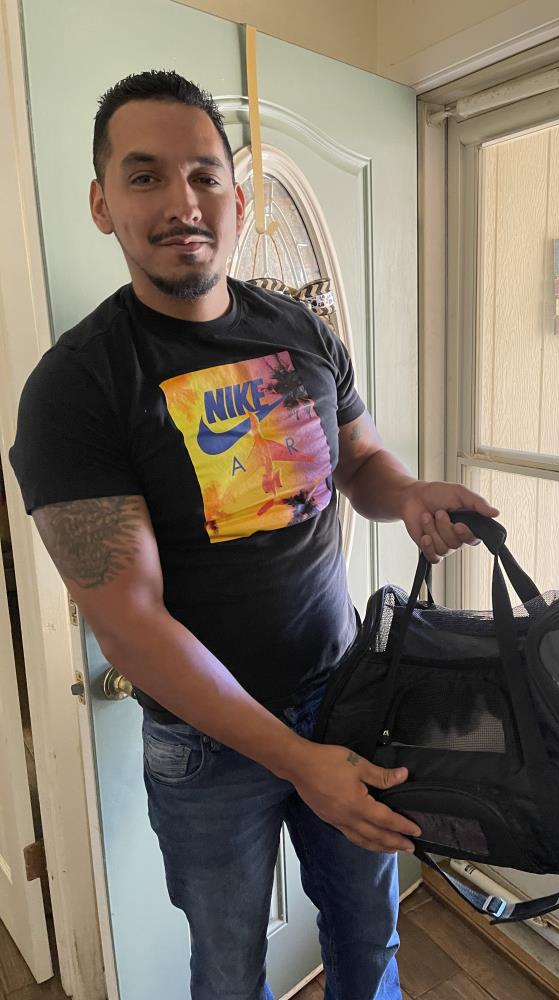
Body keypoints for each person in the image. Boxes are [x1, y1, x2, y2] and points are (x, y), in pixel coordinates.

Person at [9, 70, 498, 1000]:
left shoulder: (301, 330)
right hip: (207, 749)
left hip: (346, 696)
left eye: (204, 175)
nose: (182, 202)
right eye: (144, 176)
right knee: (228, 970)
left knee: (369, 936)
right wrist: (299, 762)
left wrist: (412, 499)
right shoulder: (75, 390)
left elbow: (359, 465)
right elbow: (131, 624)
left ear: (237, 197)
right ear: (102, 202)